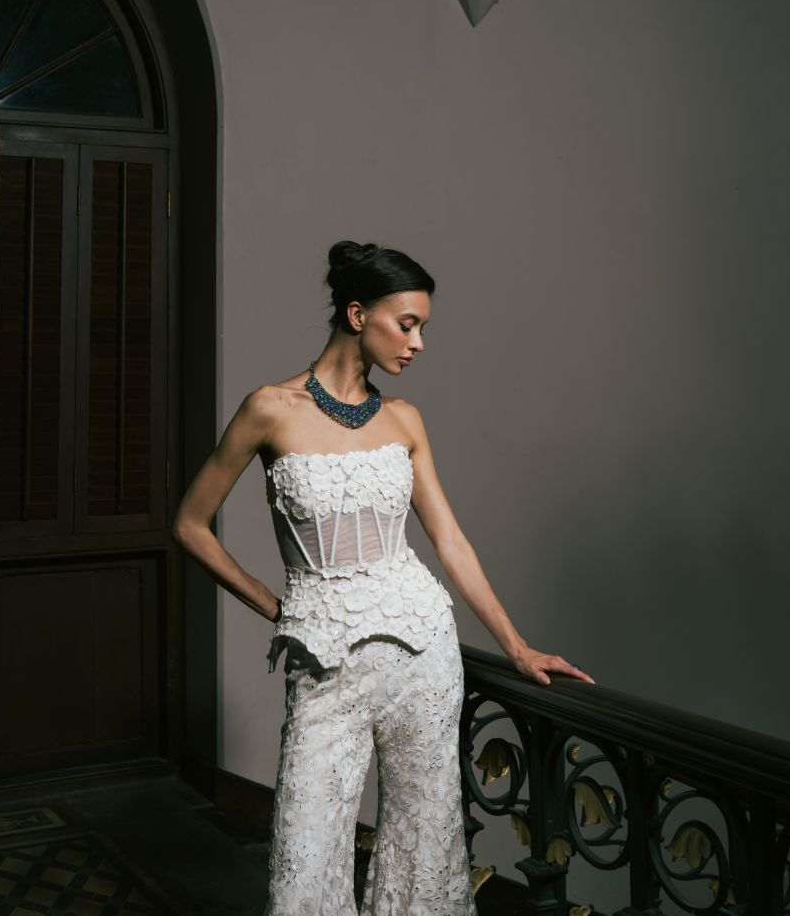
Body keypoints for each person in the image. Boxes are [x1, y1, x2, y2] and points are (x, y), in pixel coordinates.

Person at [171, 240, 594, 916]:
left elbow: (450, 541)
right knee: (305, 855)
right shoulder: (269, 409)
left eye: (423, 327)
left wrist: (517, 647)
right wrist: (278, 609)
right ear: (357, 314)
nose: (419, 342)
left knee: (424, 843)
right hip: (324, 659)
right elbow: (190, 525)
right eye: (408, 324)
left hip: (424, 652)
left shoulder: (404, 419)